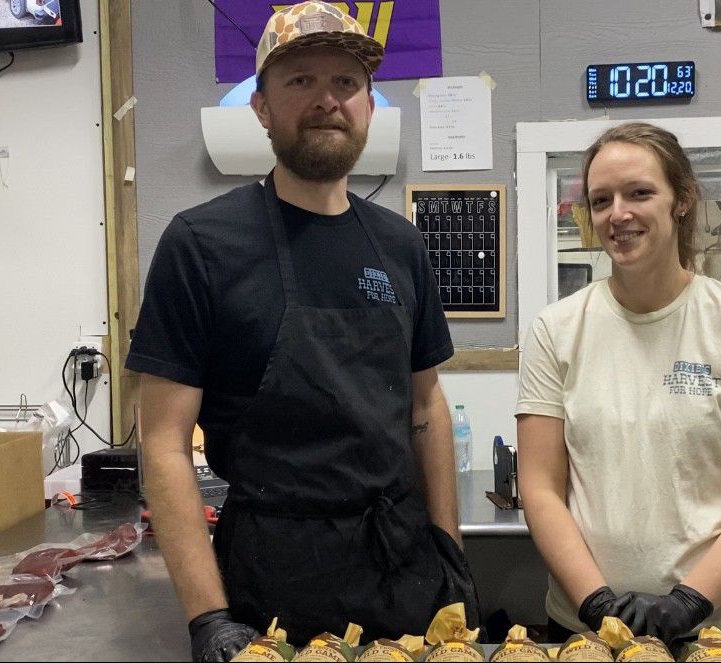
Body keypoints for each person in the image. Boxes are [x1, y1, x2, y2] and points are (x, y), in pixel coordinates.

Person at [127, 3, 476, 660]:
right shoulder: (202, 243)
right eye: (300, 81)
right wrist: (208, 615)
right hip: (270, 583)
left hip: (401, 572)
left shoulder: (400, 244)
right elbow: (165, 444)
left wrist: (448, 551)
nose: (327, 100)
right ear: (260, 107)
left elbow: (426, 406)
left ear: (369, 106)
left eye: (345, 83)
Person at [516, 122, 721, 646]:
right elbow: (539, 488)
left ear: (682, 201)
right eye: (601, 199)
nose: (618, 213)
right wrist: (595, 602)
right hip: (588, 632)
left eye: (640, 193)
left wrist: (691, 600)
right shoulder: (555, 330)